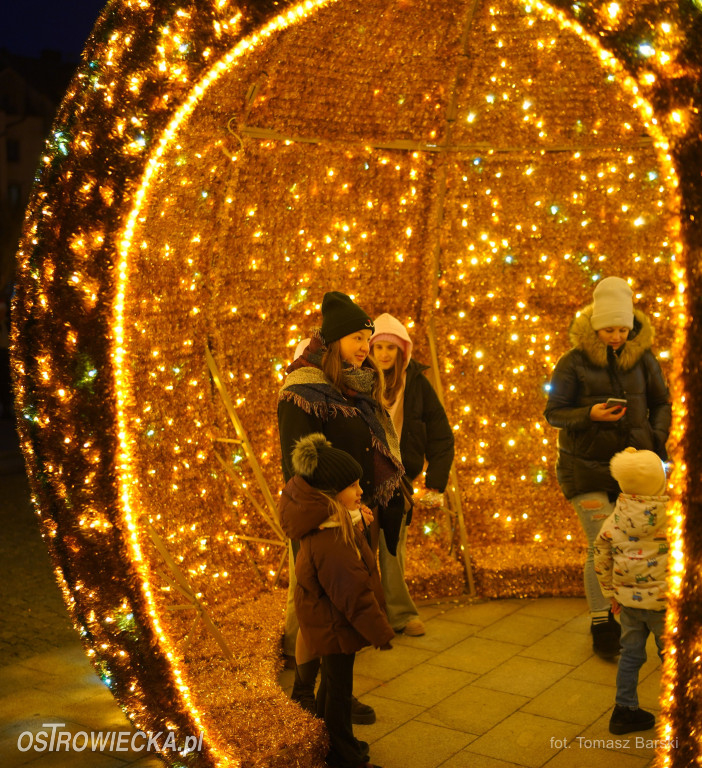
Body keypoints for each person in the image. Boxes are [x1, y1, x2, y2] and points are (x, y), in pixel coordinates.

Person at [278, 291, 405, 723]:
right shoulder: (303, 390)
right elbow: (299, 463)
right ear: (333, 340)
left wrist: (362, 507)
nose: (365, 348)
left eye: (368, 340)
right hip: (322, 519)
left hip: (355, 513)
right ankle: (305, 694)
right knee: (319, 611)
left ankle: (334, 695)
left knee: (342, 614)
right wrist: (335, 512)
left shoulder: (356, 387)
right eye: (357, 338)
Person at [544, 276, 671, 658]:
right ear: (595, 326)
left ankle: (636, 614)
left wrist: (655, 436)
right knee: (599, 542)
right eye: (608, 328)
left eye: (622, 328)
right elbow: (554, 413)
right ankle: (602, 621)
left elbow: (662, 401)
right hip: (585, 468)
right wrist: (590, 414)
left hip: (634, 468)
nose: (616, 335)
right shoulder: (572, 363)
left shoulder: (644, 360)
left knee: (638, 542)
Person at [279, 433, 393, 768]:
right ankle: (344, 756)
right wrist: (379, 631)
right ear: (330, 493)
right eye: (353, 486)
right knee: (338, 695)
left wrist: (357, 519)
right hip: (335, 626)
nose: (360, 491)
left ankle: (334, 745)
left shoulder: (329, 524)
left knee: (331, 686)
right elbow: (352, 590)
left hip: (330, 624)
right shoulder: (331, 539)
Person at [369, 313, 455, 636]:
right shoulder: (361, 381)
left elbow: (442, 435)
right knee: (361, 551)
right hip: (362, 478)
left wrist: (435, 482)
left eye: (391, 348)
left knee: (392, 549)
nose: (385, 355)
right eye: (379, 348)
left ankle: (401, 615)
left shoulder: (416, 384)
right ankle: (367, 618)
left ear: (402, 350)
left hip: (399, 480)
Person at [593, 447, 669, 735]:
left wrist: (610, 594)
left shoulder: (615, 518)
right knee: (675, 657)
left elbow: (599, 556)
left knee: (630, 655)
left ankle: (625, 710)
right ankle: (688, 707)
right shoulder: (674, 516)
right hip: (665, 606)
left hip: (629, 605)